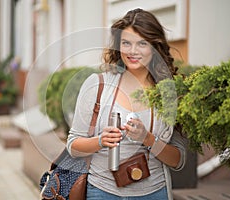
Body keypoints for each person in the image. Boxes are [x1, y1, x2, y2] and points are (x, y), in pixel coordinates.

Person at [67, 8, 186, 200]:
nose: (132, 51)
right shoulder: (97, 85)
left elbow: (178, 160)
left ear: (155, 46)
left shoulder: (169, 93)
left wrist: (147, 139)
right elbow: (73, 146)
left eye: (142, 43)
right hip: (101, 191)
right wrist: (100, 141)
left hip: (154, 193)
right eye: (126, 43)